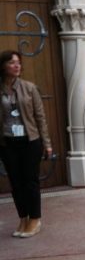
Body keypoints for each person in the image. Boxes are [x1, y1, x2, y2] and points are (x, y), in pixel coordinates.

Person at [0, 50, 53, 238]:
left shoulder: (29, 88)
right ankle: (23, 218)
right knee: (16, 183)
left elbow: (40, 118)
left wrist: (47, 144)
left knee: (30, 181)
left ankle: (35, 219)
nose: (16, 66)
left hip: (30, 141)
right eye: (12, 62)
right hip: (7, 142)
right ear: (3, 66)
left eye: (18, 63)